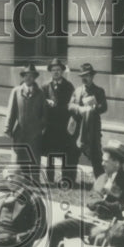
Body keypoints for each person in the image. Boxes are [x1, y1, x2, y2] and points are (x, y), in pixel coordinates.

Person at [46, 140, 124, 247]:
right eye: (102, 160)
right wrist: (96, 203)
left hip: (110, 223)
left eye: (106, 161)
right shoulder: (101, 178)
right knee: (55, 229)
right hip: (90, 218)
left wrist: (108, 204)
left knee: (97, 238)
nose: (102, 164)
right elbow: (91, 198)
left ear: (117, 163)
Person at [5, 64, 47, 182]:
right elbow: (11, 110)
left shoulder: (40, 93)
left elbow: (44, 112)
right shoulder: (16, 91)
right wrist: (8, 127)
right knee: (19, 156)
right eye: (26, 76)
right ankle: (19, 180)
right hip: (20, 131)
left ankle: (35, 180)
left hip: (34, 132)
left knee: (34, 157)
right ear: (23, 77)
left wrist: (41, 127)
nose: (28, 78)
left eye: (31, 76)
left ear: (35, 78)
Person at [69, 63, 108, 177]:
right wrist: (79, 108)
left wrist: (94, 107)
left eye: (87, 76)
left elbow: (104, 107)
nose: (84, 78)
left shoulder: (99, 91)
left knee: (96, 155)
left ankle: (100, 182)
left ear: (92, 76)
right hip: (78, 127)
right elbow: (69, 105)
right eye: (82, 76)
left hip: (93, 128)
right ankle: (70, 181)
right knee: (73, 154)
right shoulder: (77, 91)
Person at [43, 58, 76, 186]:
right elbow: (40, 102)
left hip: (63, 125)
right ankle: (50, 179)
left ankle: (65, 179)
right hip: (50, 126)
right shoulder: (46, 86)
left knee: (64, 153)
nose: (56, 72)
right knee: (50, 153)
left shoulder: (68, 86)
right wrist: (46, 102)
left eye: (58, 70)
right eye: (53, 70)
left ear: (62, 71)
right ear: (50, 71)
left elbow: (72, 103)